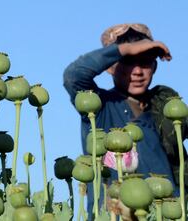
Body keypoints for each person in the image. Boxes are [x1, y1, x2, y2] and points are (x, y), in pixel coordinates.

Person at [63, 23, 186, 187]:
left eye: (145, 62)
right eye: (128, 61)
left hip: (166, 209)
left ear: (154, 66)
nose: (137, 71)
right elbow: (74, 76)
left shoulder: (164, 106)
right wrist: (126, 48)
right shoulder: (98, 106)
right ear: (109, 68)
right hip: (113, 210)